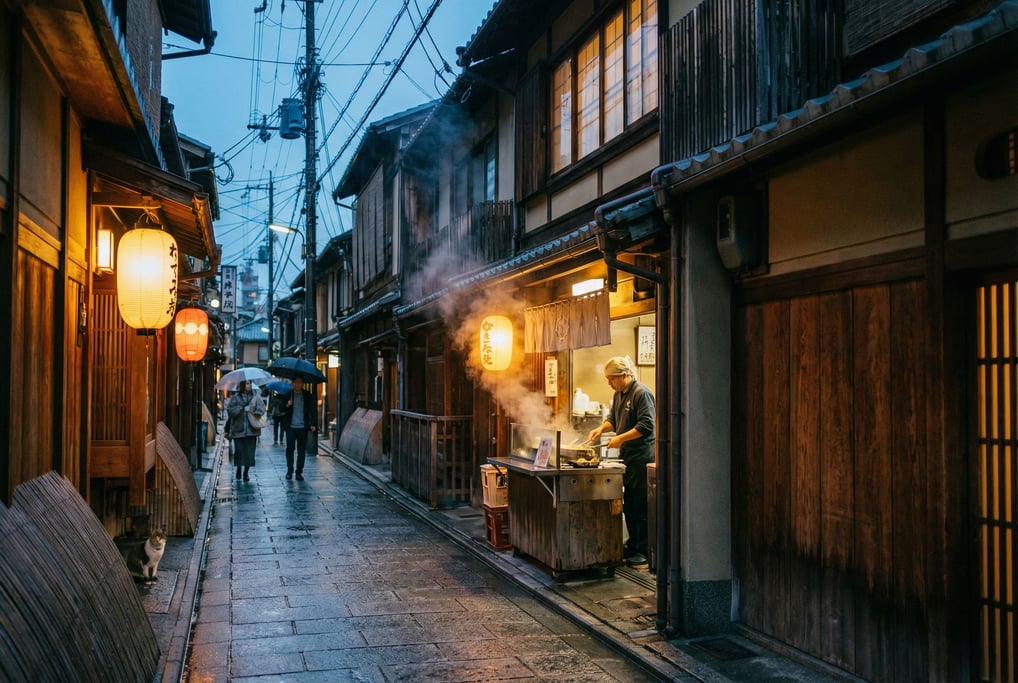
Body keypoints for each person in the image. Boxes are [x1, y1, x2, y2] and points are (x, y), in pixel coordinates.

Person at [588, 356, 655, 569]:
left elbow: (647, 425)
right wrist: (602, 429)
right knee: (630, 503)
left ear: (625, 375)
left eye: (612, 379)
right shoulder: (619, 394)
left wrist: (620, 438)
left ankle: (644, 551)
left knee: (640, 504)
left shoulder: (641, 393)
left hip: (642, 455)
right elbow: (613, 420)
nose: (609, 383)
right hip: (628, 456)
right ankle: (633, 544)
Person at [226, 380, 266, 481]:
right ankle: (239, 468)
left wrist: (254, 411)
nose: (249, 385)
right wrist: (240, 409)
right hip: (238, 430)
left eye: (250, 383)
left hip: (252, 430)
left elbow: (262, 409)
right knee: (239, 451)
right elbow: (230, 410)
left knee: (249, 452)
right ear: (243, 385)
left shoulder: (255, 397)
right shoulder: (236, 397)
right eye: (247, 383)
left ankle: (246, 472)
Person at [280, 377, 318, 481]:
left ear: (303, 384)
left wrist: (313, 423)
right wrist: (287, 404)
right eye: (296, 382)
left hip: (303, 427)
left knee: (301, 451)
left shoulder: (307, 396)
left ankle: (299, 472)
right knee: (290, 448)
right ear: (293, 384)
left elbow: (313, 410)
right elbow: (280, 408)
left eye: (300, 383)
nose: (298, 385)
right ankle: (289, 470)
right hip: (291, 427)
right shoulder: (288, 394)